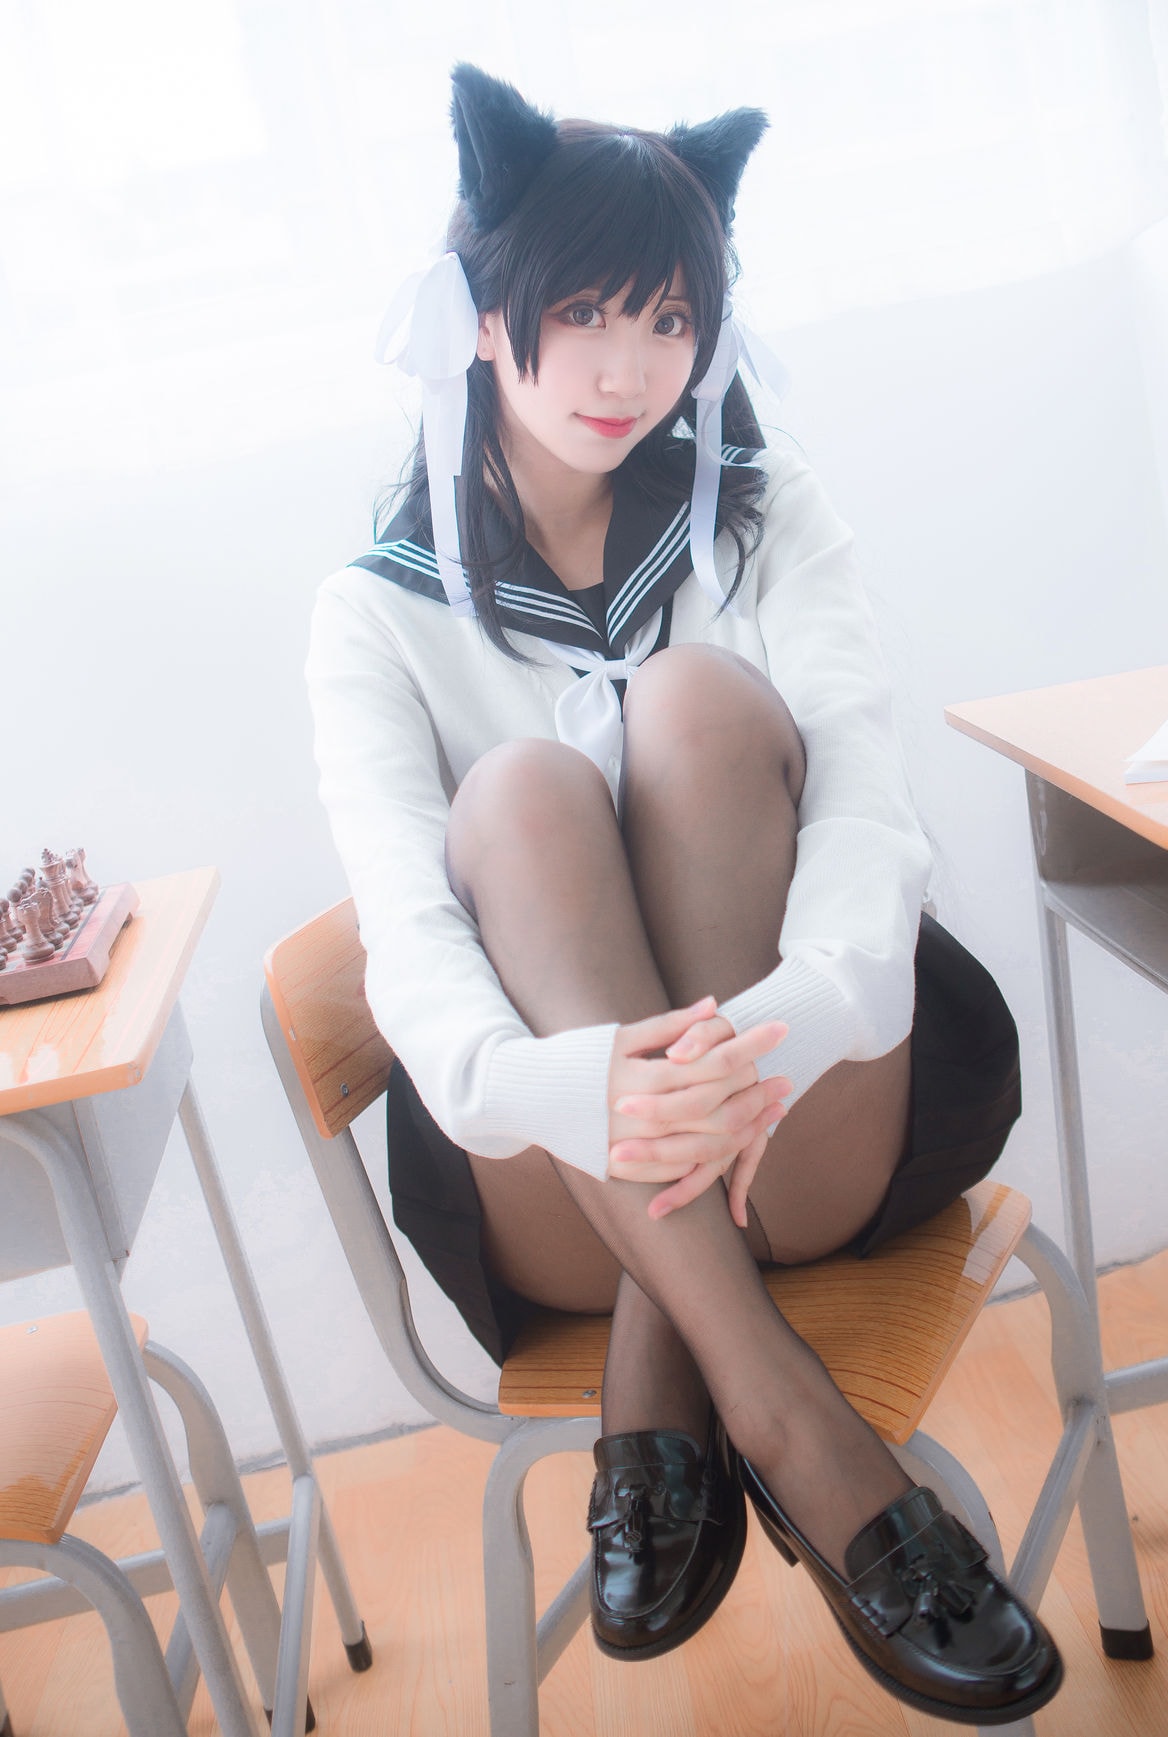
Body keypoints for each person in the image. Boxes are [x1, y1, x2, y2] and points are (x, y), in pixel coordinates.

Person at [307, 62, 1061, 1726]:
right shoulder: (375, 615)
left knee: (702, 703)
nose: (625, 368)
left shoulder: (762, 512)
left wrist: (778, 1024)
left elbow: (864, 798)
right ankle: (787, 1415)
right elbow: (412, 945)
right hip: (556, 1179)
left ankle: (673, 1352)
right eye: (580, 312)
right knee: (515, 797)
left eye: (665, 318)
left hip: (810, 1103)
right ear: (481, 314)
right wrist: (586, 1084)